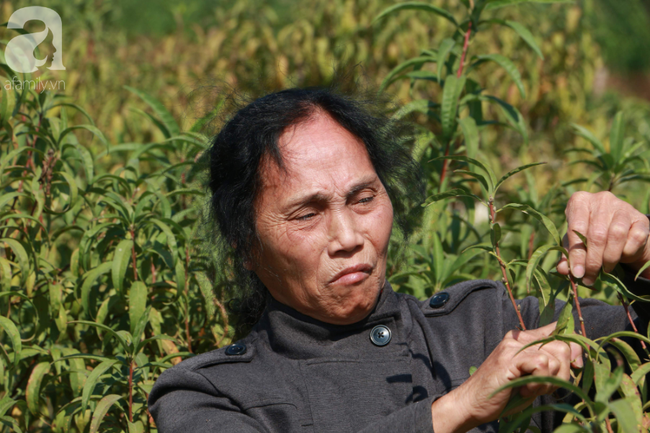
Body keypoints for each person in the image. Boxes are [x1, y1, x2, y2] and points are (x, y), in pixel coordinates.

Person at [148, 86, 650, 432]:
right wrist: (456, 410)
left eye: (364, 199)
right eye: (306, 214)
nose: (348, 236)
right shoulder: (210, 392)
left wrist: (643, 256)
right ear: (245, 246)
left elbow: (638, 349)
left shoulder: (486, 325)